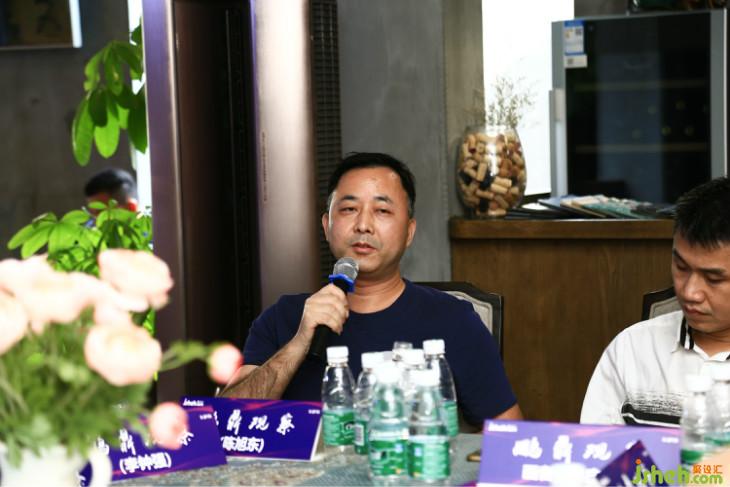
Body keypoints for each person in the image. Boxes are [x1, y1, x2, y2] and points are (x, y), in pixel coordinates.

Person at [221, 152, 522, 425]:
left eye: (382, 211)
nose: (363, 225)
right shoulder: (283, 317)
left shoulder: (453, 319)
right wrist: (299, 343)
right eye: (349, 208)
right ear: (326, 226)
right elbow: (225, 422)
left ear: (409, 232)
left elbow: (509, 437)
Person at [581, 177, 730, 426]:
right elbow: (597, 447)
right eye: (681, 267)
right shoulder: (632, 349)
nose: (690, 292)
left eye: (713, 279)